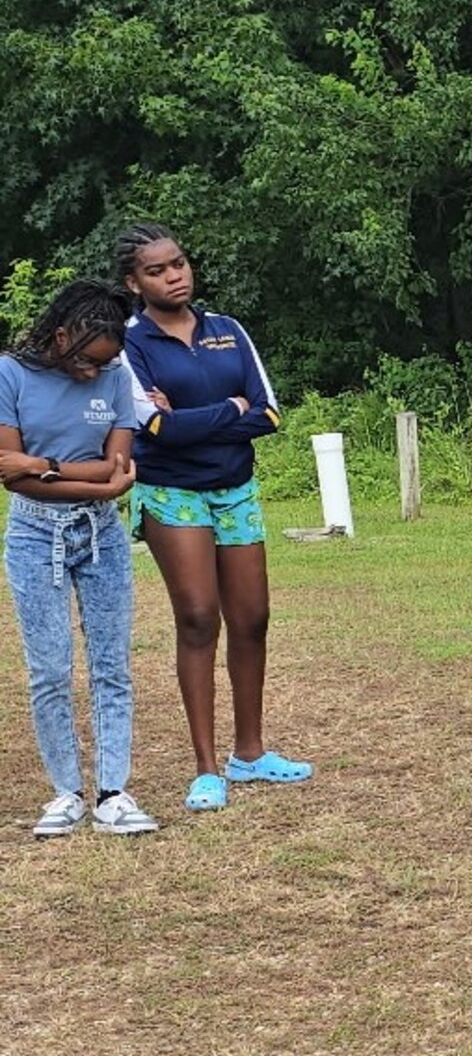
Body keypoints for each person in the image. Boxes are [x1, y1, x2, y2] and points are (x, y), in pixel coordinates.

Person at [115, 223, 310, 812]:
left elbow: (271, 414)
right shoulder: (131, 344)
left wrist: (197, 419)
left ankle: (249, 754)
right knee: (199, 619)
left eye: (178, 264)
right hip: (172, 492)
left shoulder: (229, 331)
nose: (174, 275)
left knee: (252, 618)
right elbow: (154, 428)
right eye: (157, 270)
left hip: (235, 488)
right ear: (134, 282)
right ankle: (206, 768)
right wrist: (231, 408)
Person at [1, 280, 155, 838]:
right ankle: (65, 792)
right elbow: (9, 475)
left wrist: (39, 464)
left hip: (103, 536)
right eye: (87, 361)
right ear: (61, 335)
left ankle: (113, 792)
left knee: (111, 666)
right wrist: (89, 480)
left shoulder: (117, 374)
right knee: (50, 669)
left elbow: (119, 468)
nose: (96, 373)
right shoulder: (10, 373)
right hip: (32, 534)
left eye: (106, 363)